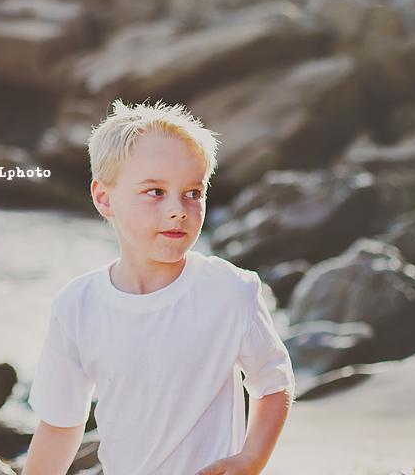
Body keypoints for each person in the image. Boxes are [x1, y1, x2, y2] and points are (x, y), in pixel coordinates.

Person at [23, 100, 295, 475]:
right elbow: (59, 425)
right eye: (155, 191)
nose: (178, 210)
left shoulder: (230, 291)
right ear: (104, 198)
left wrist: (252, 458)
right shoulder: (77, 305)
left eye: (193, 193)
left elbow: (275, 381)